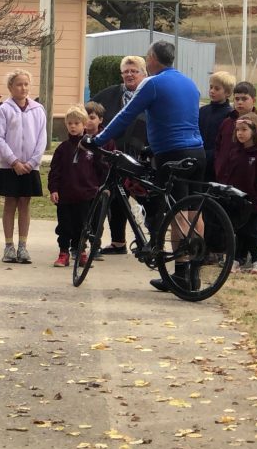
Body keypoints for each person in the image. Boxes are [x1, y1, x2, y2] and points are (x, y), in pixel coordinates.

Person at [83, 41, 205, 292]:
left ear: (151, 58)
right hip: (197, 150)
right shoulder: (189, 83)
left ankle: (181, 274)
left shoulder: (153, 83)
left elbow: (126, 114)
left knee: (176, 212)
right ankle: (195, 272)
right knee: (193, 211)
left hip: (172, 152)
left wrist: (98, 141)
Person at [90, 56, 148, 255]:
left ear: (144, 73)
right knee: (113, 199)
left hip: (142, 157)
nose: (130, 75)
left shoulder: (149, 91)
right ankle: (118, 242)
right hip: (113, 156)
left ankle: (149, 244)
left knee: (147, 201)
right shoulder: (109, 95)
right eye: (126, 71)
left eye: (134, 71)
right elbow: (88, 112)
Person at [0, 69, 47, 264]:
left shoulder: (38, 109)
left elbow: (42, 139)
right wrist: (14, 161)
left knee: (25, 203)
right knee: (10, 203)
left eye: (26, 84)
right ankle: (9, 246)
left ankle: (23, 246)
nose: (23, 88)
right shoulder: (4, 109)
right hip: (10, 166)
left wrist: (32, 162)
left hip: (30, 167)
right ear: (10, 87)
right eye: (18, 84)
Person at [48, 105, 111, 268]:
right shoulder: (62, 149)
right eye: (70, 123)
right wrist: (53, 189)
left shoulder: (92, 147)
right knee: (64, 226)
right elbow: (55, 171)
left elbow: (101, 169)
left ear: (84, 125)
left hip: (86, 195)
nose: (73, 126)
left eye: (77, 123)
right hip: (65, 196)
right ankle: (63, 253)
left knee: (83, 226)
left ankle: (81, 252)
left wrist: (101, 187)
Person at [217, 113, 257, 275]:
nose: (240, 133)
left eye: (244, 129)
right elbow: (228, 174)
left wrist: (255, 195)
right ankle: (236, 260)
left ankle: (256, 261)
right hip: (235, 203)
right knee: (238, 232)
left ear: (254, 131)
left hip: (253, 204)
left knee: (252, 234)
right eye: (238, 130)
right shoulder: (235, 153)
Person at [214, 81, 257, 181]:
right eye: (237, 99)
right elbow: (218, 147)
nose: (240, 102)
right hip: (223, 180)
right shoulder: (226, 123)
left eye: (244, 99)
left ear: (254, 100)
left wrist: (256, 186)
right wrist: (218, 166)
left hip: (248, 185)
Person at [199, 71, 235, 182]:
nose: (212, 91)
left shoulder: (230, 114)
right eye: (211, 87)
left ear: (228, 93)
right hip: (200, 157)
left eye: (217, 89)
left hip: (216, 162)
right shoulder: (203, 111)